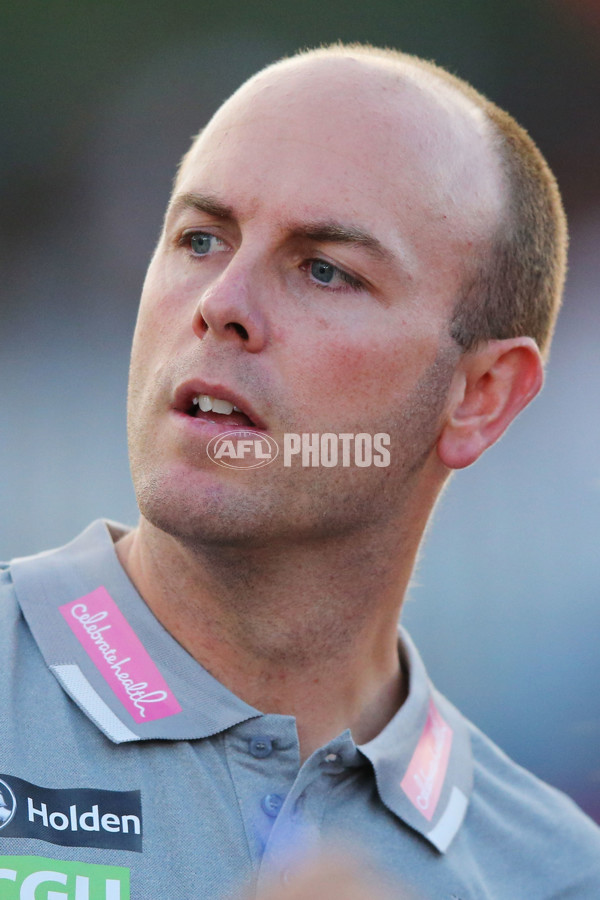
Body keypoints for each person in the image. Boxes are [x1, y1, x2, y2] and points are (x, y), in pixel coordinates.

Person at [1, 41, 599, 900]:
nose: (222, 306)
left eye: (325, 270)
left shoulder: (552, 874)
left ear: (481, 396)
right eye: (201, 238)